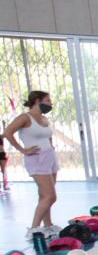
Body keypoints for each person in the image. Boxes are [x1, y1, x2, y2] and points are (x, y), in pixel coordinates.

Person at [2, 91, 60, 237]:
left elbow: (47, 137)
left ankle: (48, 225)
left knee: (44, 195)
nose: (50, 103)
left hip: (50, 158)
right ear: (37, 101)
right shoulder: (24, 118)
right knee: (50, 196)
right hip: (36, 159)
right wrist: (22, 149)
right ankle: (34, 228)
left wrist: (51, 147)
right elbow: (7, 132)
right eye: (47, 100)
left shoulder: (44, 119)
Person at [0, 120, 9, 191]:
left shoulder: (1, 136)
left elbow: (5, 134)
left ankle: (5, 185)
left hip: (2, 154)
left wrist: (4, 125)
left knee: (3, 170)